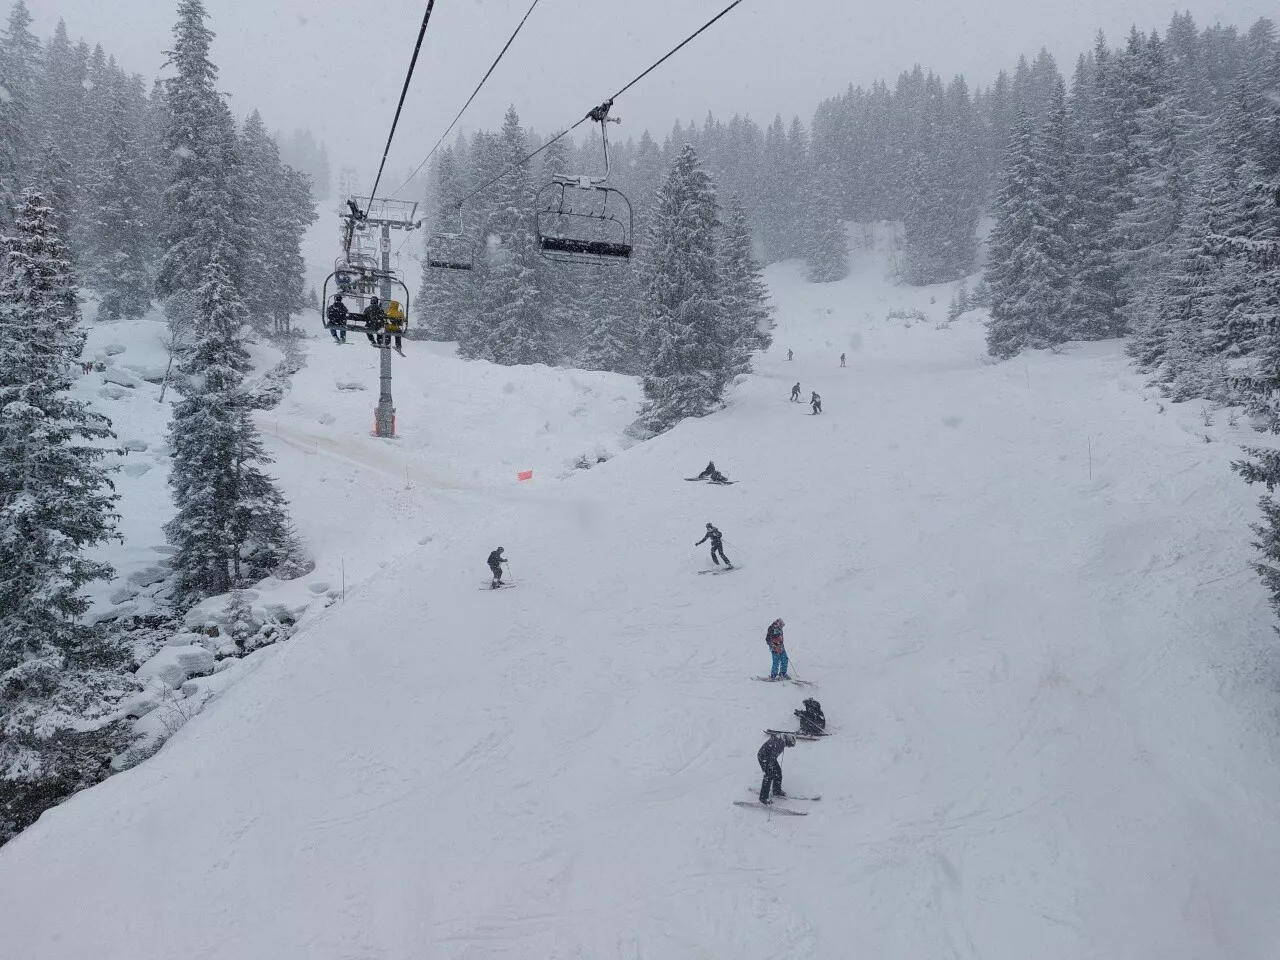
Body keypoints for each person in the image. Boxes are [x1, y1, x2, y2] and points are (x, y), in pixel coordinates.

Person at [757, 733, 795, 804]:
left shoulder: (782, 739)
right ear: (788, 741)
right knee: (769, 775)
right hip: (763, 757)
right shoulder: (779, 743)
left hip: (769, 757)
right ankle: (763, 798)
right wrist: (770, 767)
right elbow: (772, 755)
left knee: (778, 772)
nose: (788, 747)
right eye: (789, 745)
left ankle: (776, 790)